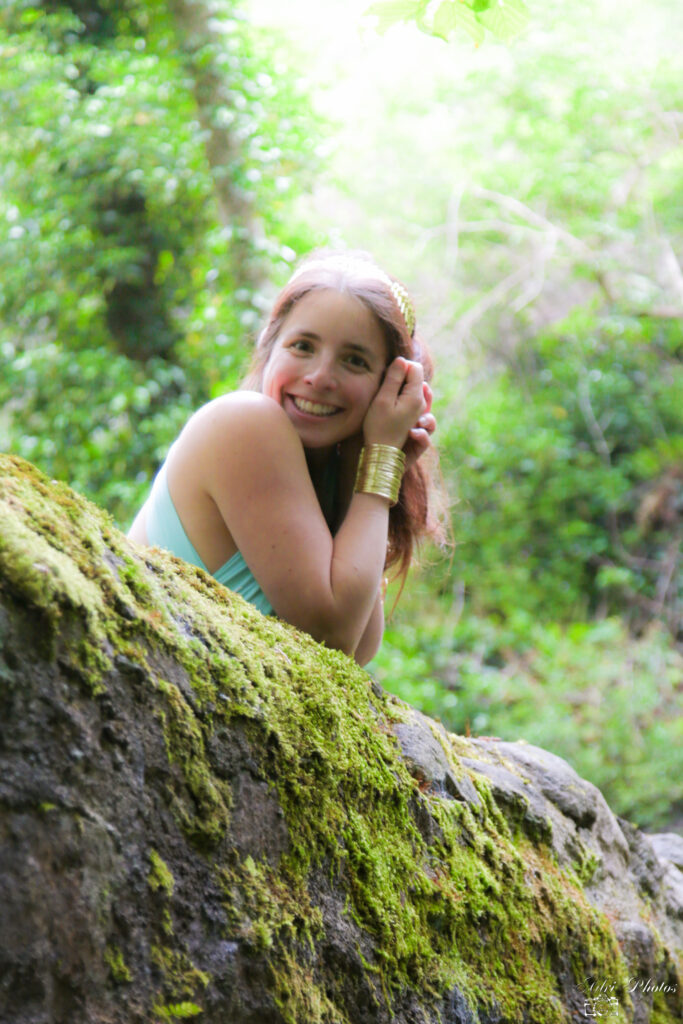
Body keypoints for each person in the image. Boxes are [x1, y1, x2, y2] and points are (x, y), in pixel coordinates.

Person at [128, 250, 444, 665]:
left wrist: (365, 459)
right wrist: (382, 459)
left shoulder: (329, 472)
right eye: (303, 346)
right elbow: (333, 637)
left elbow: (360, 647)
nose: (320, 377)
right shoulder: (245, 423)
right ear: (269, 346)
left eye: (354, 360)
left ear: (390, 385)